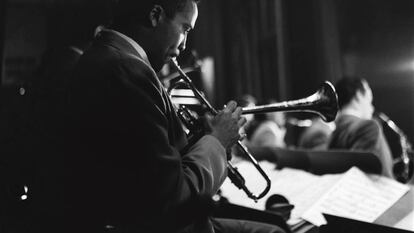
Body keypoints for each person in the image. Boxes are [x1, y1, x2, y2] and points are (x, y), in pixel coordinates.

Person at [59, 1, 286, 233]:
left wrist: (201, 140)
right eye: (184, 29)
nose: (184, 45)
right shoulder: (127, 70)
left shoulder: (110, 57)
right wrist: (216, 140)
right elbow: (174, 199)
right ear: (156, 15)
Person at [327, 76, 394, 178]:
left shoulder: (333, 134)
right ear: (358, 95)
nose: (372, 107)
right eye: (369, 100)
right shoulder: (368, 127)